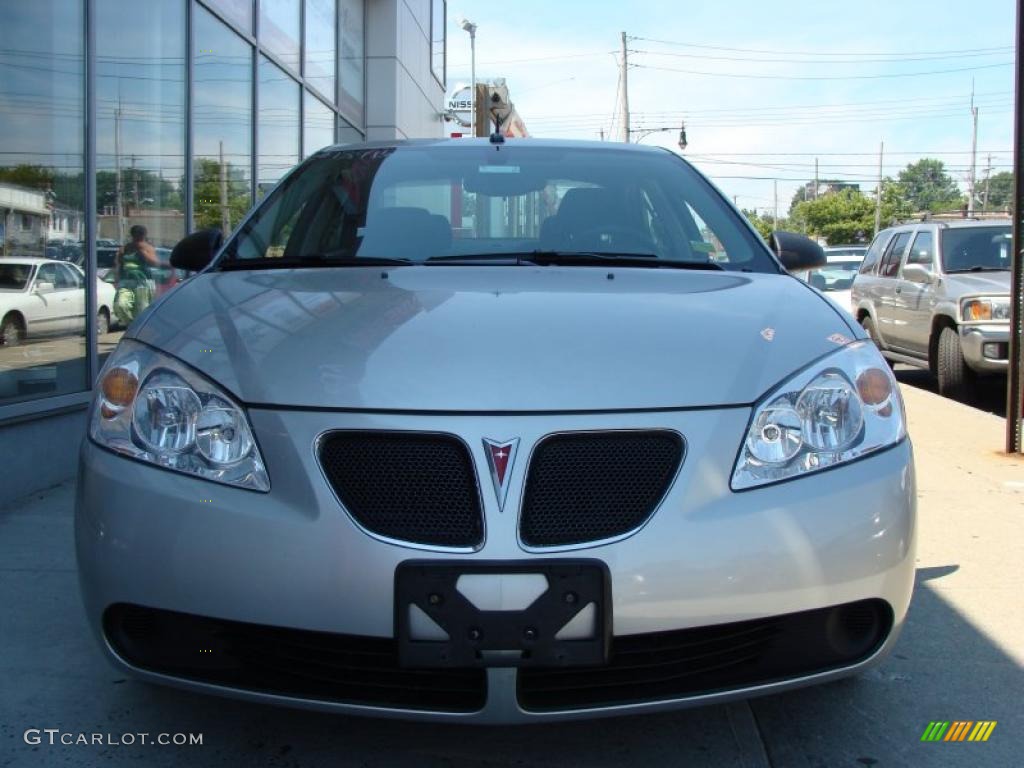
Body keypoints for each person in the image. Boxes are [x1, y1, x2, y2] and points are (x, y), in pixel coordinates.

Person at [113, 224, 160, 326]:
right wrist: (116, 278)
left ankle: (140, 329)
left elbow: (154, 262)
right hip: (126, 282)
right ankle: (131, 325)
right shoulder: (125, 248)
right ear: (132, 235)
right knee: (120, 305)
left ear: (143, 236)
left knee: (142, 310)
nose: (138, 238)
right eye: (135, 235)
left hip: (143, 282)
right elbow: (119, 264)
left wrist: (143, 253)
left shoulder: (147, 247)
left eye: (140, 235)